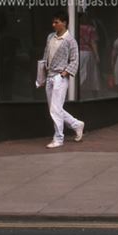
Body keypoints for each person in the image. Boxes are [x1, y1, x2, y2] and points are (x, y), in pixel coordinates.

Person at [42, 12, 85, 148]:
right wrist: (42, 74)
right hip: (49, 76)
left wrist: (64, 74)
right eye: (53, 22)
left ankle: (59, 138)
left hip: (59, 77)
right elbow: (46, 55)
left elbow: (75, 60)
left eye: (56, 22)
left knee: (55, 109)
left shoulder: (70, 40)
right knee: (54, 108)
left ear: (64, 22)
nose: (53, 25)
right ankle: (76, 124)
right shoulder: (50, 37)